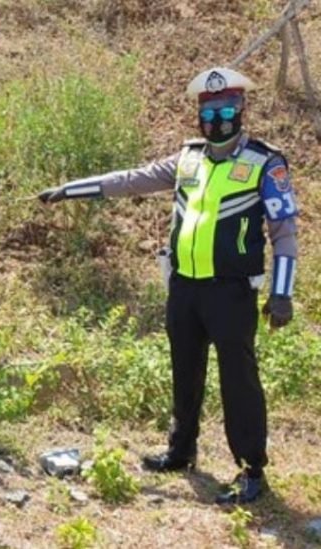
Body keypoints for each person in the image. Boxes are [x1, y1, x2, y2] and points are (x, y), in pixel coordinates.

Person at [38, 67, 299, 505]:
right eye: (210, 111)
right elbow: (130, 180)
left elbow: (285, 231)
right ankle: (181, 450)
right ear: (199, 114)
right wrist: (71, 189)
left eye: (227, 109)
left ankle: (252, 470)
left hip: (231, 292)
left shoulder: (264, 163)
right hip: (185, 287)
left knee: (239, 381)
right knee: (185, 370)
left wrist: (282, 292)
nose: (218, 119)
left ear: (242, 110)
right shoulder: (188, 158)